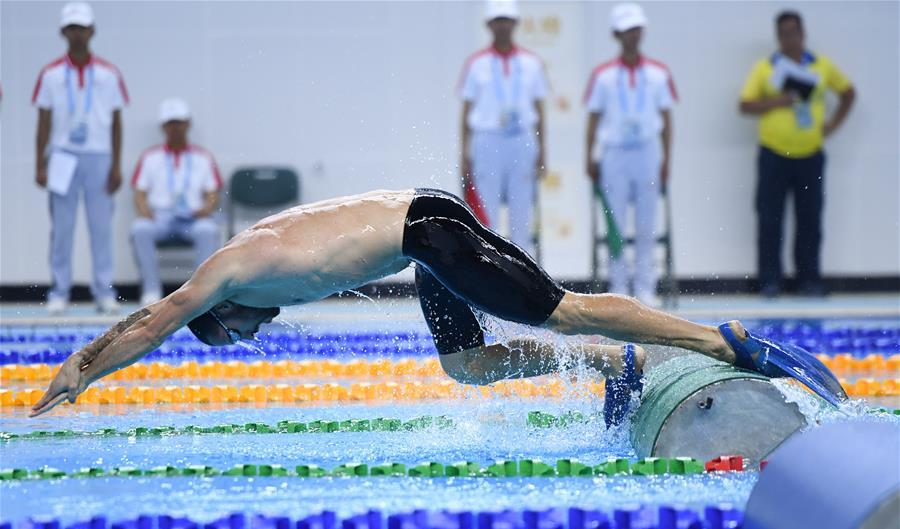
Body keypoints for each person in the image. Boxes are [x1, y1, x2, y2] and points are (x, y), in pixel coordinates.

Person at [31, 188, 847, 420]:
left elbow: (150, 321)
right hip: (424, 235)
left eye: (229, 337)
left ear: (221, 315)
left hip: (431, 233)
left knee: (561, 310)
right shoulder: (259, 265)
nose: (246, 337)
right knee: (463, 365)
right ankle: (619, 363)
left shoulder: (225, 279)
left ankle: (720, 341)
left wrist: (80, 369)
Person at [739, 10, 855, 298]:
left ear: (802, 34)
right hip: (773, 155)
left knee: (810, 219)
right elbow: (745, 105)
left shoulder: (821, 65)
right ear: (778, 37)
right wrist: (779, 101)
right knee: (770, 219)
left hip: (810, 154)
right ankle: (770, 281)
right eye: (783, 33)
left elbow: (848, 93)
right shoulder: (766, 68)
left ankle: (809, 280)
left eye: (794, 32)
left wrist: (832, 125)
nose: (789, 38)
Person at [33, 2, 128, 315]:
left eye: (82, 27)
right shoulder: (50, 74)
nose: (77, 33)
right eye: (71, 27)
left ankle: (103, 292)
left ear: (92, 31)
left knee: (100, 227)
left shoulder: (109, 73)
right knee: (61, 227)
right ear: (63, 32)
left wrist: (116, 164)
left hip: (99, 156)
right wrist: (40, 162)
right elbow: (43, 120)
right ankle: (59, 291)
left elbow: (115, 121)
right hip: (62, 156)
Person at [584, 3, 675, 306]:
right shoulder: (603, 75)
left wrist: (666, 159)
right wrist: (589, 156)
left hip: (647, 151)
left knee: (647, 222)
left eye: (636, 29)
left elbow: (666, 118)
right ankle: (619, 285)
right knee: (616, 222)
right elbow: (593, 119)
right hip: (615, 154)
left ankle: (646, 286)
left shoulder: (658, 73)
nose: (632, 35)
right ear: (616, 34)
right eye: (626, 30)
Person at [459, 0, 547, 254]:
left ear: (515, 23)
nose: (503, 26)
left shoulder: (531, 62)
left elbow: (540, 110)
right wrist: (464, 152)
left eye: (507, 20)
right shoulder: (476, 63)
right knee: (486, 215)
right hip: (487, 141)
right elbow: (466, 111)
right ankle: (487, 277)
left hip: (521, 140)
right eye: (498, 20)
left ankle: (524, 279)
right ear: (489, 24)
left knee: (522, 213)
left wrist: (543, 149)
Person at [130, 98, 223, 305]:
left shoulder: (203, 157)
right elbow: (139, 193)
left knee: (207, 230)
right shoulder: (150, 157)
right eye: (171, 123)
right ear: (163, 126)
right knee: (140, 229)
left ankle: (202, 291)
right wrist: (145, 211)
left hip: (192, 217)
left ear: (188, 124)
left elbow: (213, 193)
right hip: (160, 217)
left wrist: (206, 208)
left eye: (179, 122)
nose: (175, 128)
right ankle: (151, 290)